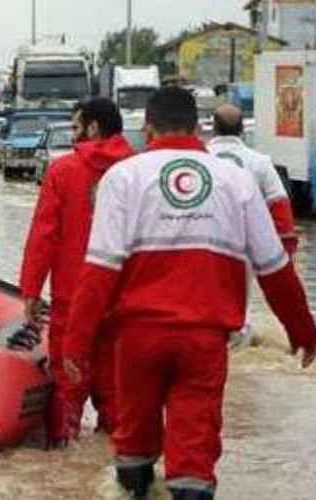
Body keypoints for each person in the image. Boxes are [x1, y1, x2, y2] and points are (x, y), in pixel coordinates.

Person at [62, 87, 316, 500]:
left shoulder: (123, 177)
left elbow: (99, 271)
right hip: (205, 340)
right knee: (194, 453)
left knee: (133, 440)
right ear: (198, 126)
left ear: (147, 127)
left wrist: (76, 343)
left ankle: (134, 488)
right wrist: (303, 332)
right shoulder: (237, 179)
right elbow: (276, 269)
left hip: (136, 340)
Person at [19, 98, 134, 447]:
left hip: (73, 299)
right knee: (119, 401)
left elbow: (44, 236)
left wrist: (30, 291)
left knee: (67, 396)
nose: (73, 135)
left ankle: (64, 464)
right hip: (126, 301)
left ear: (93, 127)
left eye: (75, 126)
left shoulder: (63, 171)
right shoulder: (139, 171)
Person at [207, 104, 299, 347]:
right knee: (239, 303)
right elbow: (279, 205)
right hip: (243, 244)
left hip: (199, 240)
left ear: (213, 128)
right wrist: (284, 248)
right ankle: (238, 340)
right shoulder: (260, 162)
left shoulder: (199, 157)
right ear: (242, 131)